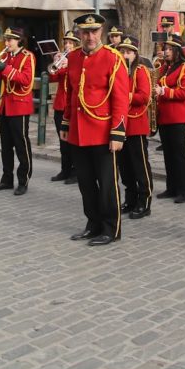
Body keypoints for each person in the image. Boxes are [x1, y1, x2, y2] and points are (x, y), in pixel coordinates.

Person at [58, 14, 130, 246]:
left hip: (102, 131)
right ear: (78, 33)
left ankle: (111, 228)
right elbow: (70, 94)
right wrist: (66, 123)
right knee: (86, 184)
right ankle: (93, 223)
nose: (90, 36)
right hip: (79, 132)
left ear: (101, 32)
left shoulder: (113, 58)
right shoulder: (75, 58)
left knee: (107, 185)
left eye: (94, 31)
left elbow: (120, 99)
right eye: (85, 32)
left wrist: (118, 133)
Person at [0, 27, 36, 195]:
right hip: (6, 106)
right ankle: (6, 179)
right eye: (6, 40)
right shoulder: (7, 57)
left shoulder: (28, 56)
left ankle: (23, 180)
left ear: (19, 41)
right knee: (5, 146)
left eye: (10, 40)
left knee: (21, 145)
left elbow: (25, 80)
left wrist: (4, 68)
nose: (6, 43)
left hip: (20, 105)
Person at [154, 33, 185, 204]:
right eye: (166, 48)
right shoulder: (164, 67)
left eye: (170, 49)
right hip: (164, 116)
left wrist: (164, 91)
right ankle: (171, 188)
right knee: (168, 155)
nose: (166, 51)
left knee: (179, 155)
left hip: (179, 116)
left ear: (178, 51)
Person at [118, 35, 154, 219]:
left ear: (135, 54)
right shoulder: (118, 70)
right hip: (120, 124)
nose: (125, 54)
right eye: (123, 51)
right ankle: (130, 199)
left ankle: (144, 201)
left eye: (129, 52)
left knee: (139, 165)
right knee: (125, 167)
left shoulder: (140, 71)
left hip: (136, 123)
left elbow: (144, 96)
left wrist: (124, 95)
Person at [49, 31, 79, 184]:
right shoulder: (63, 61)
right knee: (62, 140)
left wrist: (66, 64)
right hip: (60, 104)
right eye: (66, 43)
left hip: (73, 106)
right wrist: (56, 62)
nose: (67, 46)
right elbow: (53, 77)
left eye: (71, 43)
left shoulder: (78, 60)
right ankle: (65, 169)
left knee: (73, 141)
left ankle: (76, 171)